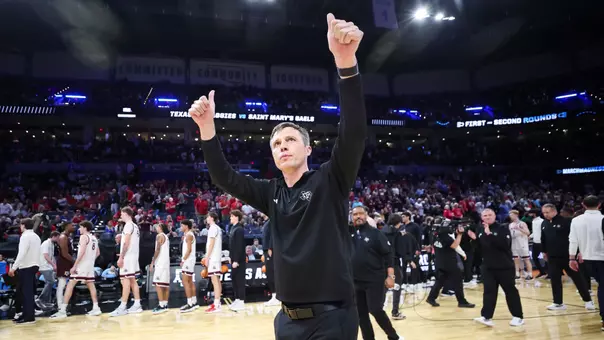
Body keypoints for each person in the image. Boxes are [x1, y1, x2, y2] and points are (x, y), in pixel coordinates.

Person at [189, 13, 365, 339]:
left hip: (332, 320)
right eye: (276, 143)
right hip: (285, 321)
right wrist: (207, 129)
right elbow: (224, 177)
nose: (282, 146)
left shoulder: (331, 179)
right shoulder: (270, 192)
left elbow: (353, 133)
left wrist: (346, 63)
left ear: (309, 149)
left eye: (290, 140)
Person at [350, 206, 402, 340]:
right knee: (361, 314)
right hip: (356, 281)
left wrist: (391, 276)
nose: (358, 216)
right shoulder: (348, 233)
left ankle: (393, 336)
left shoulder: (376, 233)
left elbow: (388, 255)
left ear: (366, 215)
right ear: (351, 217)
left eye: (361, 213)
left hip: (374, 279)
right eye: (355, 214)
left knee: (375, 309)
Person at [474, 208, 525, 327]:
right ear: (482, 217)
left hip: (504, 266)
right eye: (485, 215)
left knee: (510, 291)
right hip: (488, 267)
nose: (487, 217)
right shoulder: (480, 229)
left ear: (494, 216)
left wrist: (489, 234)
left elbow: (504, 245)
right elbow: (480, 248)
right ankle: (486, 316)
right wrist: (474, 240)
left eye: (489, 215)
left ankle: (518, 316)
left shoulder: (503, 228)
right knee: (489, 292)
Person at [541, 204, 594, 311]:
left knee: (577, 279)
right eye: (544, 213)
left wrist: (578, 252)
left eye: (547, 212)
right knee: (555, 280)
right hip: (552, 257)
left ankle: (588, 301)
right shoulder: (544, 223)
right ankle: (558, 303)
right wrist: (544, 251)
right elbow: (544, 238)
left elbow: (576, 237)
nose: (545, 215)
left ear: (554, 211)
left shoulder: (566, 222)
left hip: (568, 257)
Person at [50, 221, 101, 319]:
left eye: (81, 227)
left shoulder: (83, 237)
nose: (79, 229)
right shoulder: (94, 237)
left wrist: (75, 265)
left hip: (81, 265)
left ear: (85, 228)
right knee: (91, 284)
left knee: (70, 285)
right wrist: (90, 261)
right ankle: (96, 307)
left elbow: (81, 253)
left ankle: (63, 310)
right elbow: (97, 253)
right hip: (90, 265)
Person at [568, 195, 604, 331]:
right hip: (601, 257)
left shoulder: (577, 220)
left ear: (583, 205)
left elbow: (573, 240)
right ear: (599, 205)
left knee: (601, 286)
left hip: (587, 258)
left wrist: (572, 258)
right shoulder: (602, 218)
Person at [426, 219, 475, 309]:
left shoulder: (434, 234)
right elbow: (455, 245)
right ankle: (462, 301)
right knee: (458, 280)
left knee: (440, 281)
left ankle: (431, 298)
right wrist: (459, 235)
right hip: (449, 262)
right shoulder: (445, 237)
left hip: (440, 261)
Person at [110, 207, 142, 317]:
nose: (120, 216)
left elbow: (126, 243)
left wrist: (121, 257)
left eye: (122, 214)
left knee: (126, 281)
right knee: (133, 281)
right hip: (133, 256)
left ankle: (122, 307)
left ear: (127, 214)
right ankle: (137, 304)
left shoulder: (128, 225)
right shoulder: (135, 226)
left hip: (128, 257)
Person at [9, 218, 41, 324]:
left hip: (26, 266)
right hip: (34, 265)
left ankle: (29, 317)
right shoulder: (36, 236)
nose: (20, 227)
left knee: (26, 293)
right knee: (25, 291)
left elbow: (22, 253)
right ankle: (25, 314)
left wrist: (14, 267)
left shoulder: (25, 237)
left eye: (20, 225)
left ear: (23, 225)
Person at [382, 213, 413, 320]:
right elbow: (401, 250)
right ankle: (395, 312)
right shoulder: (398, 234)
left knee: (384, 286)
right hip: (394, 263)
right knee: (397, 286)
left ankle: (379, 308)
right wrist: (408, 259)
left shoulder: (382, 231)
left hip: (382, 263)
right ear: (399, 223)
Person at [204, 213, 223, 313]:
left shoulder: (212, 228)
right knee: (217, 280)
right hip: (216, 257)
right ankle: (217, 303)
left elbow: (211, 244)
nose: (206, 219)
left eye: (207, 217)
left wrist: (207, 257)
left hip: (214, 257)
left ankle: (216, 304)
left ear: (211, 218)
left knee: (215, 280)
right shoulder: (217, 228)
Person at [228, 209, 246, 312]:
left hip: (238, 260)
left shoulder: (239, 229)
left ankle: (242, 301)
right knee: (234, 279)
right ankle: (237, 299)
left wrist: (237, 260)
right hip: (233, 259)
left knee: (239, 280)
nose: (230, 218)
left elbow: (239, 246)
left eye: (231, 216)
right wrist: (231, 257)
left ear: (236, 217)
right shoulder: (233, 228)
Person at [150, 223, 171, 314]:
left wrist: (152, 262)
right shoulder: (166, 237)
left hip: (160, 263)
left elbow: (157, 249)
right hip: (166, 263)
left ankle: (161, 305)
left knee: (158, 284)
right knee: (165, 285)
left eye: (158, 226)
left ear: (161, 228)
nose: (156, 228)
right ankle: (165, 304)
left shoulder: (159, 236)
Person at [36, 231, 60, 308]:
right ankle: (40, 299)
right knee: (51, 281)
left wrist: (54, 266)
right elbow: (46, 255)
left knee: (49, 282)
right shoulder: (46, 243)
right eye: (58, 237)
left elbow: (52, 256)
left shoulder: (52, 244)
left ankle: (46, 302)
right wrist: (53, 265)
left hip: (49, 266)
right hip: (44, 266)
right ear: (54, 236)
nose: (58, 239)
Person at [179, 219, 198, 313]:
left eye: (182, 226)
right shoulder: (188, 235)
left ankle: (190, 303)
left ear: (186, 226)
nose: (181, 227)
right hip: (190, 260)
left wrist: (183, 260)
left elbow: (189, 250)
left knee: (185, 281)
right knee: (190, 281)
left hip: (188, 260)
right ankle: (194, 302)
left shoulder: (189, 235)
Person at [55, 222, 75, 308]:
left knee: (65, 283)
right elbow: (65, 254)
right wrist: (74, 261)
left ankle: (64, 303)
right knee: (62, 283)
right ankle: (60, 305)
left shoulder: (66, 237)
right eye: (72, 225)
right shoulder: (63, 237)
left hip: (66, 262)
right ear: (66, 226)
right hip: (63, 263)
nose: (73, 227)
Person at [262, 215, 280, 307]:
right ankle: (274, 295)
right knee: (269, 273)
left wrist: (270, 247)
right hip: (265, 249)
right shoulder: (267, 222)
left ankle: (276, 296)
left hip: (269, 250)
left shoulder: (271, 222)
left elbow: (272, 235)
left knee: (272, 272)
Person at [508, 210, 533, 280]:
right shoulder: (510, 225)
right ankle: (517, 274)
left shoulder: (522, 223)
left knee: (526, 259)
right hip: (514, 243)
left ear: (516, 215)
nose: (510, 216)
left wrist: (519, 229)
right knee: (516, 259)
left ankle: (530, 274)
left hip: (522, 243)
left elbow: (528, 233)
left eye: (512, 215)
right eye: (510, 215)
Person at [529, 210, 547, 278]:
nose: (529, 214)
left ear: (534, 213)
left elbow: (543, 232)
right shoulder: (533, 221)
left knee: (545, 257)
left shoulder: (542, 221)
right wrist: (530, 236)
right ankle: (542, 272)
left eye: (531, 213)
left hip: (541, 242)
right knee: (534, 257)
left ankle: (549, 273)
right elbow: (535, 232)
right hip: (535, 242)